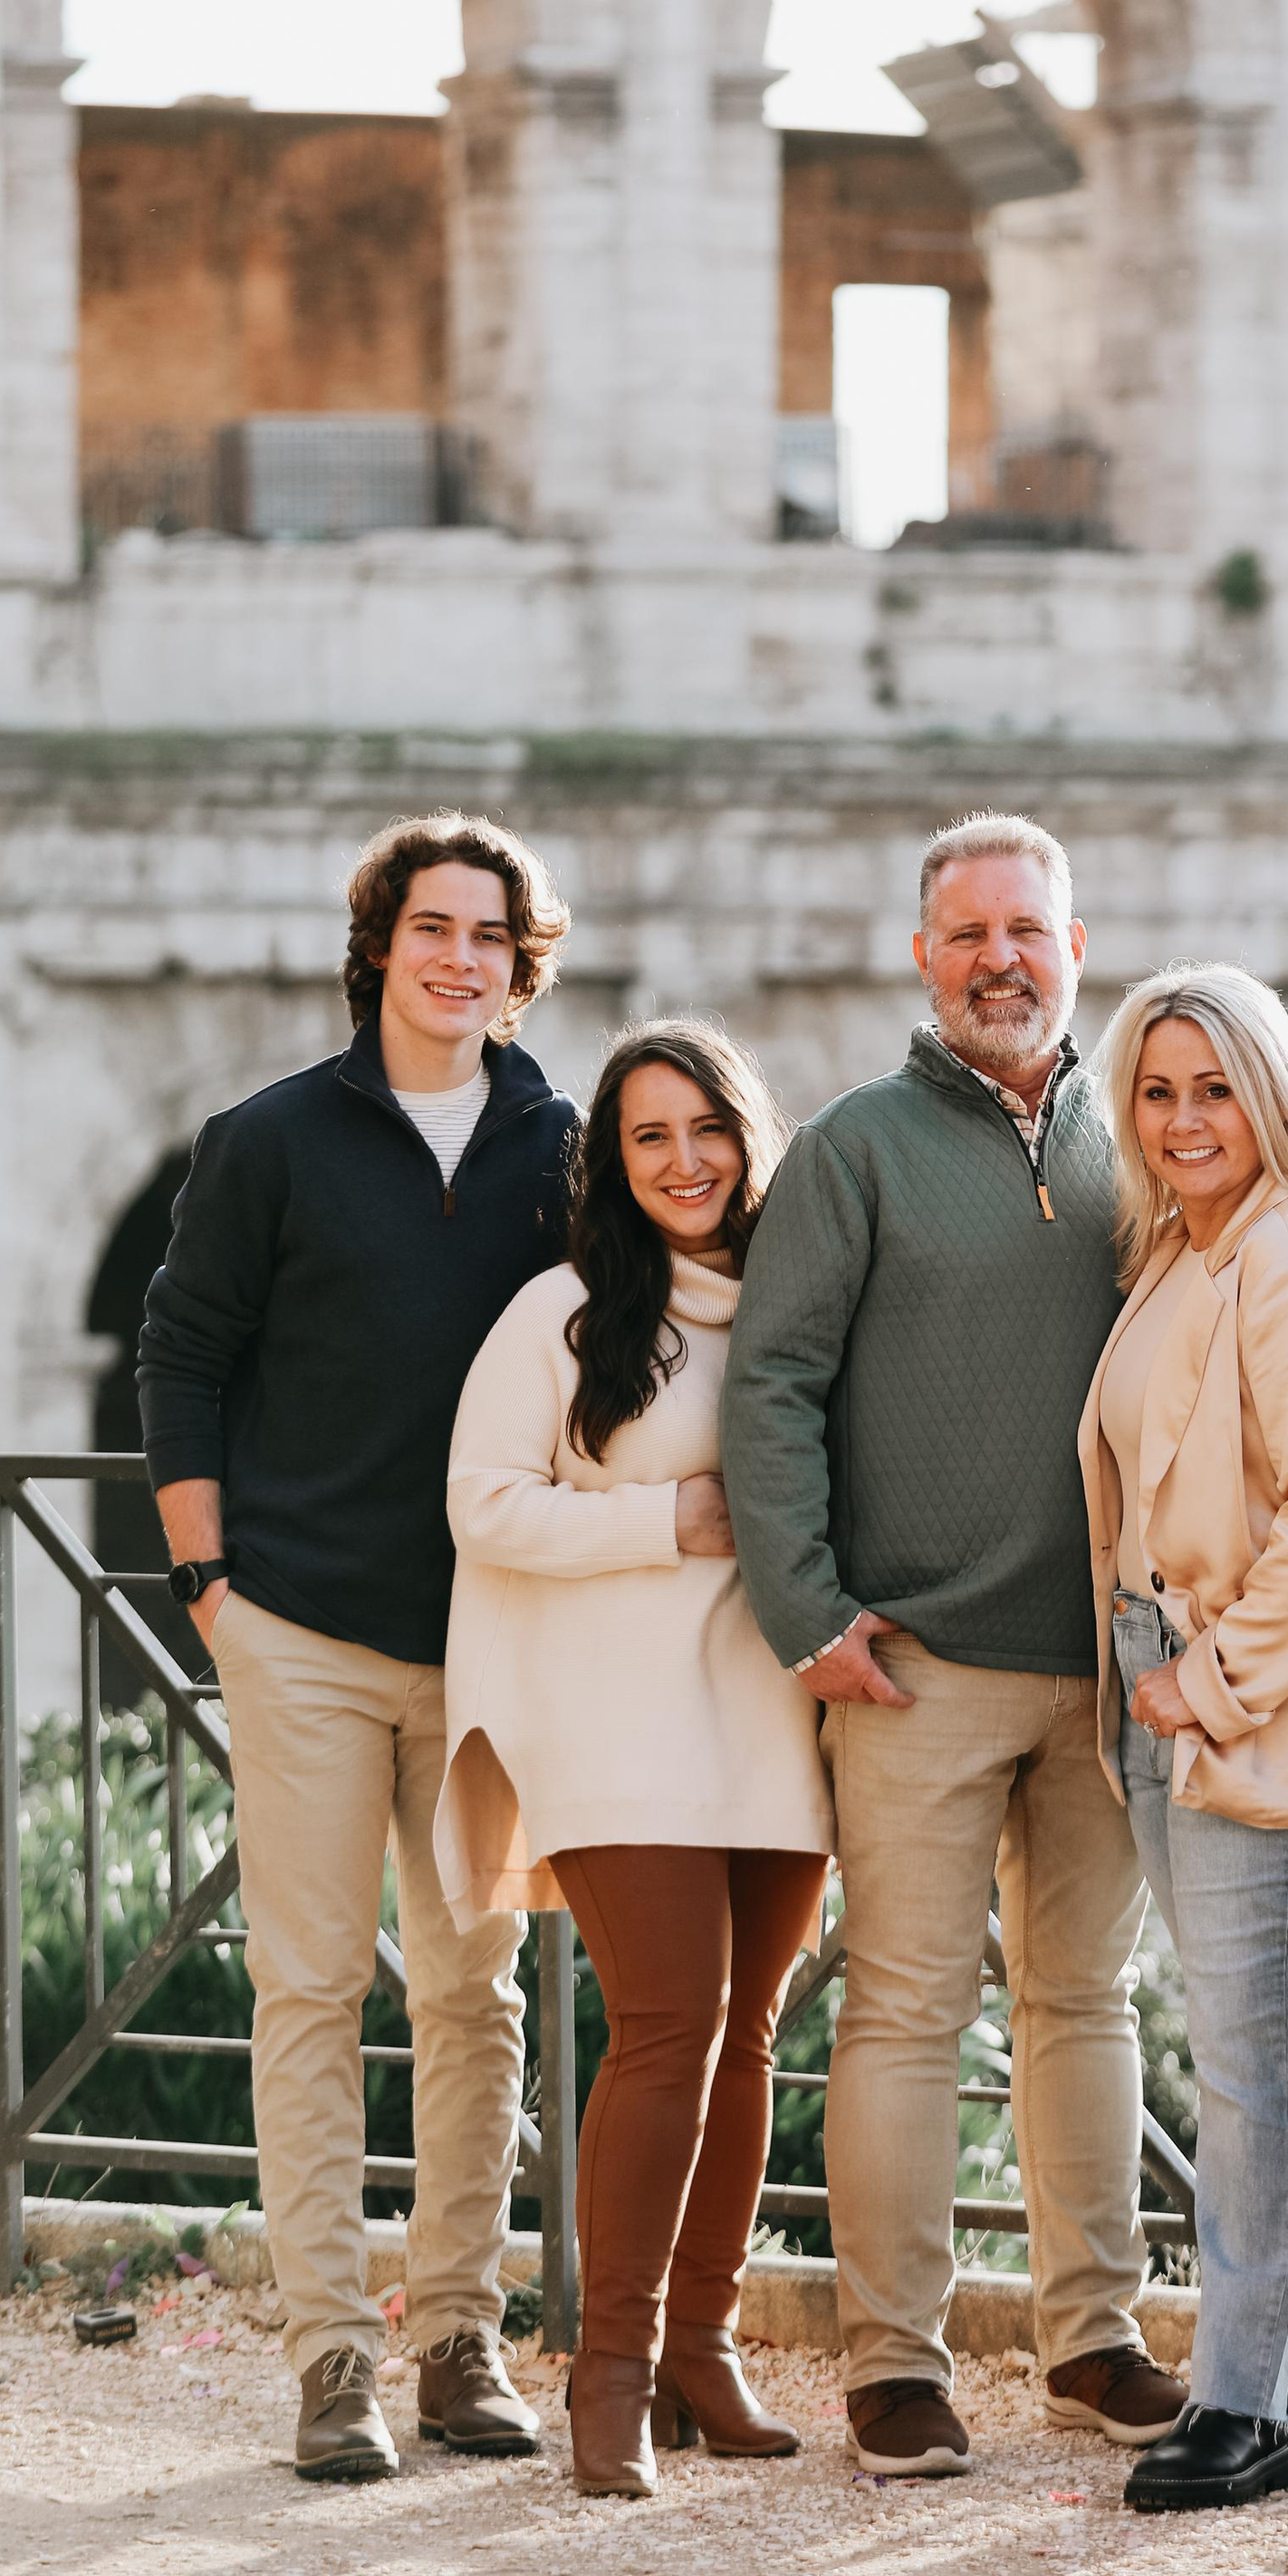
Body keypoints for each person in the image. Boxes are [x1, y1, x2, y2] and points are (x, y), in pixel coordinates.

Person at [721, 812, 1185, 2478]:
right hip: (909, 1663)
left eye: (1031, 930)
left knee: (1087, 2007)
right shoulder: (853, 1149)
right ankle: (893, 2367)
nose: (1002, 957)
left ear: (1078, 946)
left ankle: (1096, 2341)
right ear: (924, 956)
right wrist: (808, 1611)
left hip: (1113, 1661)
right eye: (970, 930)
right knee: (905, 2017)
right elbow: (766, 1384)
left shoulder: (1149, 1140)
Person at [139, 811, 576, 2482]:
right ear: (380, 949)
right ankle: (333, 2358)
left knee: (477, 2000)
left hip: (490, 1642)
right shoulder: (268, 1141)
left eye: (488, 937)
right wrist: (211, 1585)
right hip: (303, 1635)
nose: (459, 959)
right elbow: (182, 1356)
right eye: (432, 930)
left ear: (516, 967)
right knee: (310, 1994)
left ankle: (460, 2333)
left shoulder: (566, 1145)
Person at [437, 1020, 832, 2499]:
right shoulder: (561, 1312)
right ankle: (607, 2374)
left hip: (773, 1710)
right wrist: (667, 1523)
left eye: (708, 1128)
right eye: (649, 1135)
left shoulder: (799, 1309)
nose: (685, 1161)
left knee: (749, 2034)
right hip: (612, 1715)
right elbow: (483, 1506)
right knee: (670, 2020)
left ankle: (702, 2352)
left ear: (751, 1139)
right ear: (612, 1160)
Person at [1081, 963, 1288, 2514]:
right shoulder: (1186, 1254)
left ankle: (1241, 2404)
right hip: (1171, 1674)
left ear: (1271, 1092)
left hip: (1256, 1693)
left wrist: (1207, 1682)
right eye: (1156, 1092)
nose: (1183, 1118)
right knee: (1275, 2049)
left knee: (1245, 2065)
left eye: (1214, 1087)